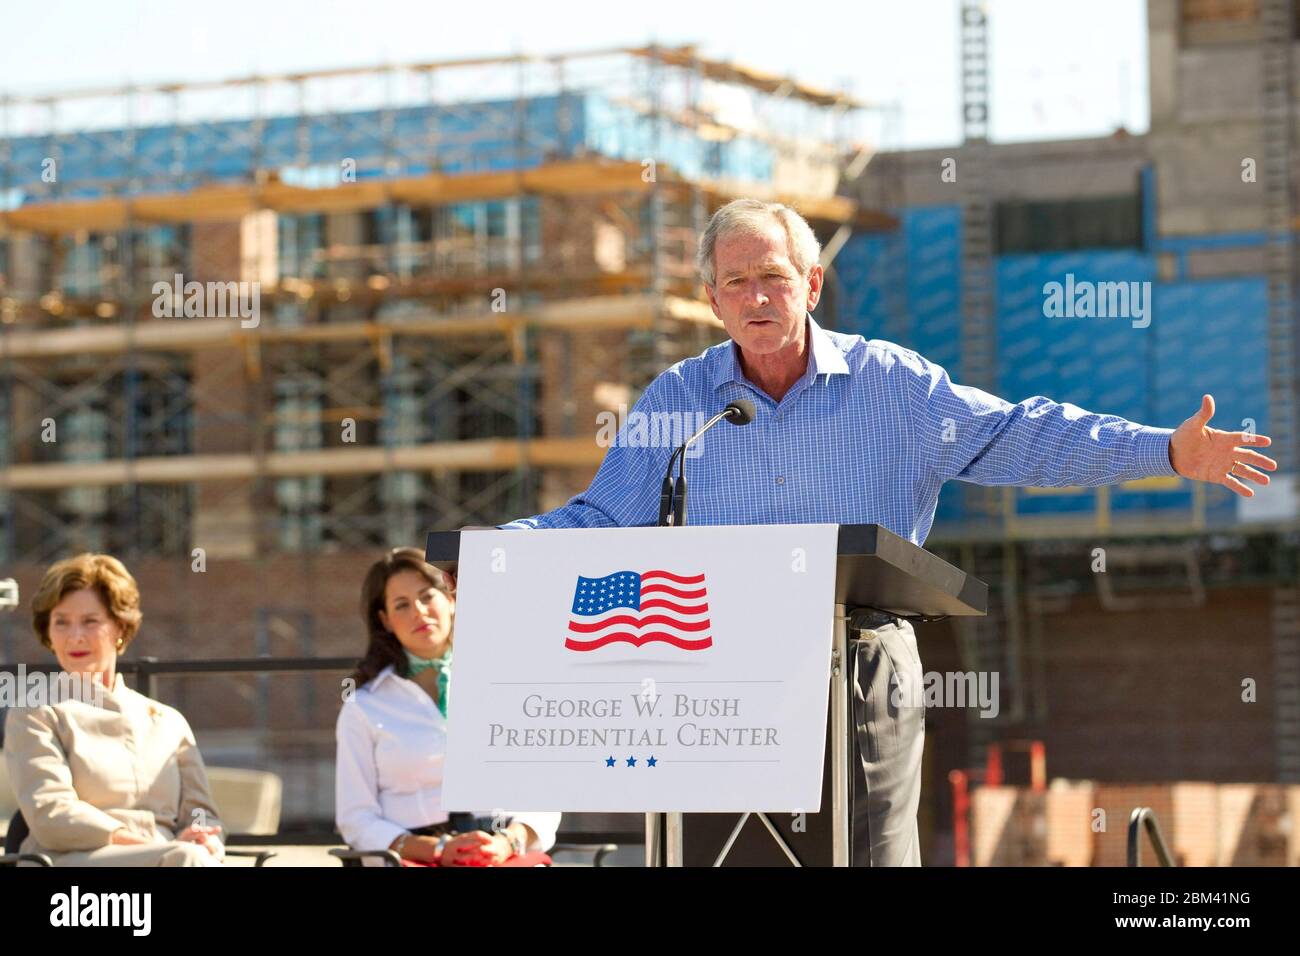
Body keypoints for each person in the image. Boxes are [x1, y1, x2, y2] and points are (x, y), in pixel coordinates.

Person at [498, 198, 1278, 866]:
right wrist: (502, 551)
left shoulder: (890, 387)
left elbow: (1020, 437)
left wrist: (1163, 450)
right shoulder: (684, 395)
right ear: (712, 300)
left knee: (860, 854)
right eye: (735, 282)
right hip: (717, 672)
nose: (755, 296)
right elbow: (606, 516)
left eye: (772, 276)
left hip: (859, 660)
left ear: (810, 283)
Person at [335, 546, 559, 866]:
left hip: (502, 853)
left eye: (427, 597)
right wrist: (435, 850)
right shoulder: (364, 706)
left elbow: (545, 787)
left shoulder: (507, 681)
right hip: (411, 858)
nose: (419, 612)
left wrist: (507, 843)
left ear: (450, 599)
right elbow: (355, 817)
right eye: (402, 605)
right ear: (384, 620)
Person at [3, 553, 225, 866]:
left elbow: (201, 812)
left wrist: (206, 837)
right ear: (48, 632)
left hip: (168, 857)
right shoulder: (35, 712)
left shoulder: (168, 722)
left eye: (90, 621)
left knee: (194, 855)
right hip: (67, 862)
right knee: (186, 858)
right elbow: (51, 814)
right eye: (61, 622)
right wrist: (154, 844)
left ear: (120, 626)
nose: (74, 636)